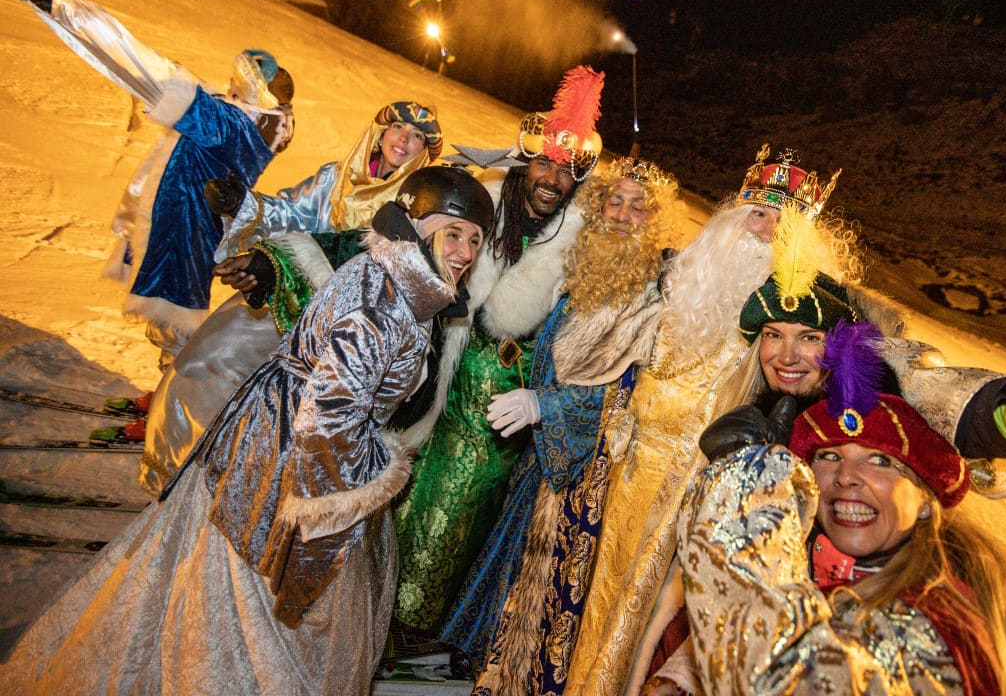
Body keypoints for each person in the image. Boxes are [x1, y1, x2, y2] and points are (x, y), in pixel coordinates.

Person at [0, 166, 495, 695]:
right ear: (416, 227)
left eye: (473, 239)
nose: (464, 251)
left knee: (207, 584)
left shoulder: (399, 279)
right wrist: (318, 537)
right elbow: (329, 418)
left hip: (273, 433)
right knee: (258, 618)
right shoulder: (386, 303)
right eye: (452, 233)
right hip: (293, 462)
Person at [565, 146, 854, 696]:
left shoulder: (800, 317)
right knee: (588, 596)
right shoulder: (684, 277)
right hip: (622, 474)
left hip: (694, 494)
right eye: (757, 212)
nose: (764, 229)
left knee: (647, 627)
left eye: (782, 222)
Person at [678, 336, 1006, 695]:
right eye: (828, 456)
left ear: (925, 499)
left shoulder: (941, 619)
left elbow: (782, 677)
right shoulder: (835, 566)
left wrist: (747, 484)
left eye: (881, 461)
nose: (847, 477)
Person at [442, 158, 683, 694]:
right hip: (540, 459)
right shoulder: (584, 267)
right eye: (614, 202)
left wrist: (548, 406)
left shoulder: (658, 294)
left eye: (637, 205)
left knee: (548, 593)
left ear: (656, 220)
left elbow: (629, 393)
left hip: (589, 476)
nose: (622, 214)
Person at [388, 65, 607, 637]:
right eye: (543, 163)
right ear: (522, 161)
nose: (552, 179)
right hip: (428, 386)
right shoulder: (478, 206)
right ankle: (365, 617)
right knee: (388, 506)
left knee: (451, 531)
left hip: (496, 424)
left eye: (565, 171)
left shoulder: (580, 245)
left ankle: (412, 634)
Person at [137, 99, 443, 495]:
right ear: (380, 132)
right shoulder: (336, 178)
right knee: (207, 359)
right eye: (398, 127)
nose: (405, 139)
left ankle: (239, 490)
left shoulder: (414, 205)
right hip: (285, 293)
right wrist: (242, 204)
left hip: (340, 332)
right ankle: (182, 470)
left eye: (418, 136)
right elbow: (287, 213)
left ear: (426, 151)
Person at [12, 0, 295, 369]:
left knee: (175, 326)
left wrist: (65, 7)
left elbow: (143, 66)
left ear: (256, 99)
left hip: (183, 231)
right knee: (169, 322)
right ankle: (167, 395)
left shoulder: (226, 126)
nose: (228, 87)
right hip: (182, 227)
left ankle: (173, 409)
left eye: (237, 85)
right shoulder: (243, 125)